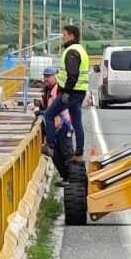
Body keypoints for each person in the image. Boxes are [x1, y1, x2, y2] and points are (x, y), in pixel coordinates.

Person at [44, 25, 89, 162]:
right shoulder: (80, 49)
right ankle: (79, 154)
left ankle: (50, 146)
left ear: (71, 36)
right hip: (80, 91)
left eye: (64, 35)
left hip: (71, 92)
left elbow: (72, 74)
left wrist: (66, 93)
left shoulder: (71, 52)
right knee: (76, 121)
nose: (62, 37)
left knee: (48, 115)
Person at [35, 65, 74, 185]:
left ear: (56, 77)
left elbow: (53, 109)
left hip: (63, 125)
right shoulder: (48, 90)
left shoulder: (58, 90)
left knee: (66, 152)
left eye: (49, 76)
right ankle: (65, 177)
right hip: (54, 127)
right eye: (45, 76)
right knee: (55, 154)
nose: (46, 79)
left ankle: (71, 179)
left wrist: (42, 112)